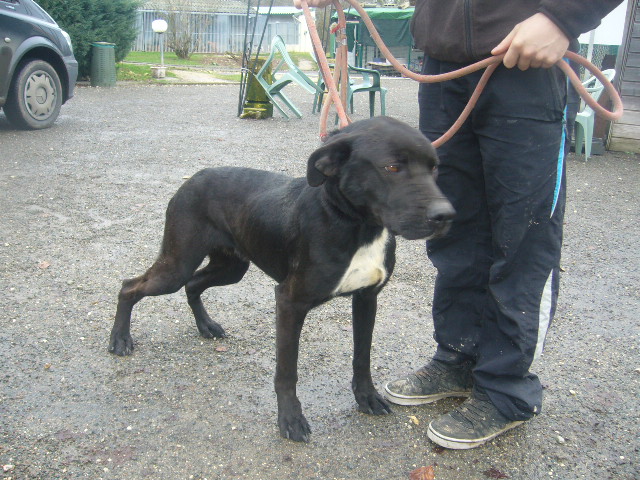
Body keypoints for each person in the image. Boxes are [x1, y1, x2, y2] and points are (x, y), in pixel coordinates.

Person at [294, 0, 622, 449]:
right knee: (452, 226)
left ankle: (506, 389)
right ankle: (458, 356)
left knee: (523, 234)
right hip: (444, 67)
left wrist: (564, 17)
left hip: (530, 62)